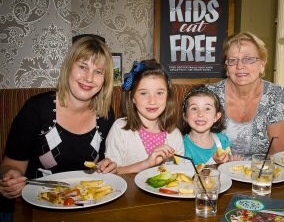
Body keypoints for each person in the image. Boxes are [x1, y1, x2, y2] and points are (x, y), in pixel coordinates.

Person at [0, 36, 117, 220]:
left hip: (85, 206)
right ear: (69, 66)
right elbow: (11, 164)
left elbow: (100, 165)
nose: (89, 78)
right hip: (34, 205)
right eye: (82, 66)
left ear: (105, 79)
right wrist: (11, 177)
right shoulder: (36, 109)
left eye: (98, 72)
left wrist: (105, 166)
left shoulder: (106, 115)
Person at [207, 32, 284, 161]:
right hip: (218, 172)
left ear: (262, 65)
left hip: (260, 174)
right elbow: (195, 143)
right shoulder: (210, 95)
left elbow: (277, 153)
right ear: (226, 68)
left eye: (248, 59)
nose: (240, 66)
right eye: (233, 60)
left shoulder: (276, 95)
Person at [105, 60, 185, 174]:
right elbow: (111, 172)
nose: (152, 101)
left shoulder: (174, 134)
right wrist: (147, 163)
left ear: (168, 96)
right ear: (132, 97)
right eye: (143, 93)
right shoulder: (120, 129)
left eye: (159, 93)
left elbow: (180, 173)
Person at [180, 84, 232, 166]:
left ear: (216, 116)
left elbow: (228, 170)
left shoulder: (223, 141)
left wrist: (232, 162)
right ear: (185, 116)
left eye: (207, 109)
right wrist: (213, 161)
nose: (200, 114)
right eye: (194, 108)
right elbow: (186, 175)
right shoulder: (181, 146)